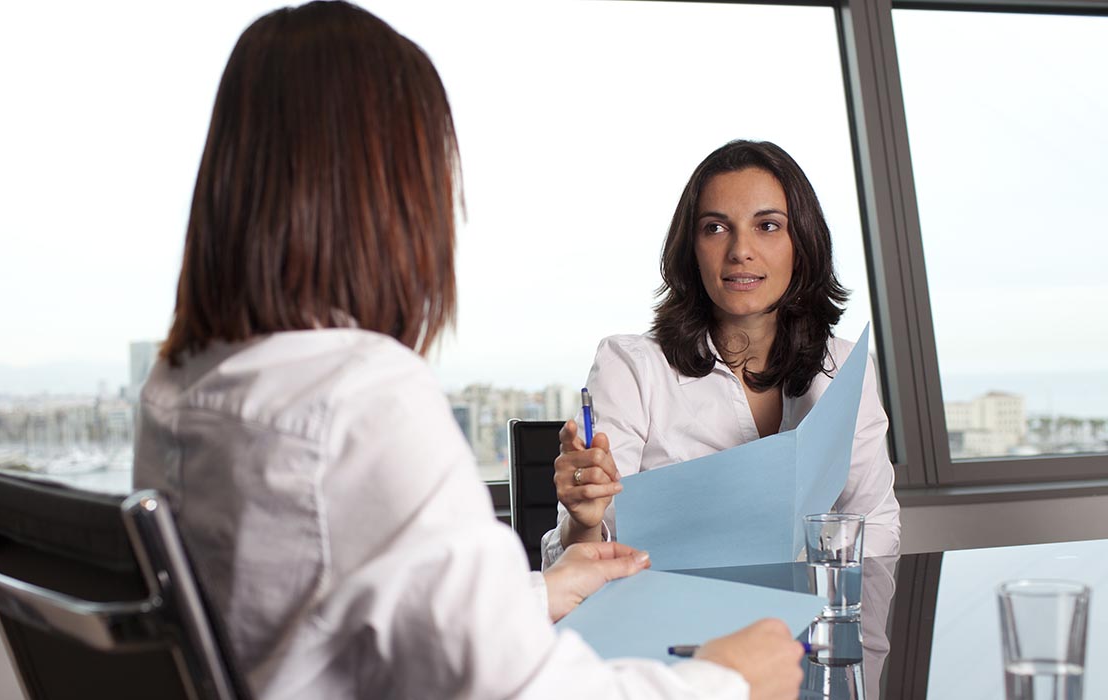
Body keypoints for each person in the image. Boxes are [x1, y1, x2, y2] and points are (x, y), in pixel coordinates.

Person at [133, 4, 804, 698]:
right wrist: (725, 679)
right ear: (391, 194)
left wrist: (536, 591)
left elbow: (320, 610)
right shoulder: (363, 399)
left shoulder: (178, 386)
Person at [543, 140, 901, 568]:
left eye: (767, 225)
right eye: (715, 228)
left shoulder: (844, 368)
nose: (740, 251)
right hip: (670, 625)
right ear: (691, 250)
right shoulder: (631, 367)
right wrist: (583, 523)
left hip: (806, 625)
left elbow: (876, 524)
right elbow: (576, 563)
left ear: (801, 242)